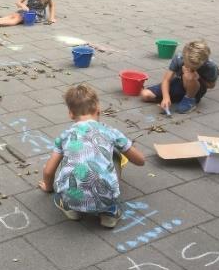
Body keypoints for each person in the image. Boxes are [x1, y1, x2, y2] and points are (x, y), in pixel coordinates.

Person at [39, 84, 145, 229]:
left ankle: (71, 209)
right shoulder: (110, 131)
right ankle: (109, 213)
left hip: (71, 197)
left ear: (70, 114)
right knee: (115, 153)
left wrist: (48, 187)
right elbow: (140, 161)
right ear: (98, 110)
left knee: (70, 159)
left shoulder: (64, 136)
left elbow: (48, 171)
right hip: (105, 198)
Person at [141, 40, 218, 114]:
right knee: (145, 94)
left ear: (203, 61)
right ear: (184, 57)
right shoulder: (179, 58)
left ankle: (189, 99)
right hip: (180, 83)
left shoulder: (210, 66)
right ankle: (176, 99)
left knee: (188, 76)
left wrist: (198, 78)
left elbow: (211, 85)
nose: (190, 69)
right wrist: (165, 97)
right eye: (187, 65)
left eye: (194, 68)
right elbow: (166, 80)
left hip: (196, 90)